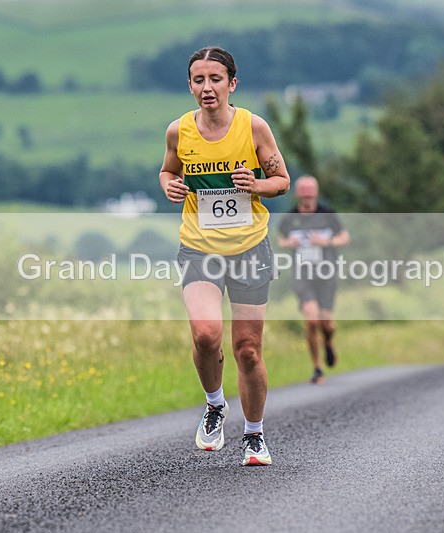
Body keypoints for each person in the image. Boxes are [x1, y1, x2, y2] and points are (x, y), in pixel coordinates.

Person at [159, 47, 290, 466]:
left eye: (215, 79)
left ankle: (254, 435)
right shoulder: (179, 132)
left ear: (232, 83)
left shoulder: (253, 127)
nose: (207, 88)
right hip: (199, 246)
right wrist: (170, 185)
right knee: (205, 334)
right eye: (198, 80)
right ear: (190, 86)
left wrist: (255, 185)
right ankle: (215, 404)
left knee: (248, 349)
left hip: (250, 248)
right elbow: (168, 170)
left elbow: (282, 181)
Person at [277, 175, 349, 384]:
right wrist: (289, 243)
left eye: (311, 192)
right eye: (304, 192)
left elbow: (344, 238)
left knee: (327, 324)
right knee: (311, 320)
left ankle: (328, 342)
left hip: (326, 273)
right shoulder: (290, 218)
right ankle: (317, 368)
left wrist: (326, 241)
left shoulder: (327, 214)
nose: (307, 196)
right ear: (298, 194)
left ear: (316, 193)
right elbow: (280, 239)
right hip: (303, 274)